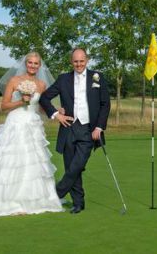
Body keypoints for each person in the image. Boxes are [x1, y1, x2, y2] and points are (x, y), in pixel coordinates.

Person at [0, 52, 65, 218]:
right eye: (30, 63)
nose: (32, 65)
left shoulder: (41, 84)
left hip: (33, 124)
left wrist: (54, 111)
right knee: (11, 161)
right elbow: (4, 106)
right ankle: (9, 202)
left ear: (40, 66)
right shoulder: (14, 81)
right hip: (16, 123)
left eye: (36, 63)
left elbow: (40, 108)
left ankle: (30, 201)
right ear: (25, 64)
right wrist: (21, 102)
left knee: (32, 161)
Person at [39, 48, 111, 214]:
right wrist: (56, 114)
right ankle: (78, 203)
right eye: (75, 61)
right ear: (71, 62)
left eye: (82, 61)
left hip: (88, 129)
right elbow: (44, 97)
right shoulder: (63, 79)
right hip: (69, 128)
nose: (79, 64)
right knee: (72, 166)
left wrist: (99, 127)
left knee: (77, 165)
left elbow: (105, 104)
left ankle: (57, 193)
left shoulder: (98, 77)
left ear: (87, 60)